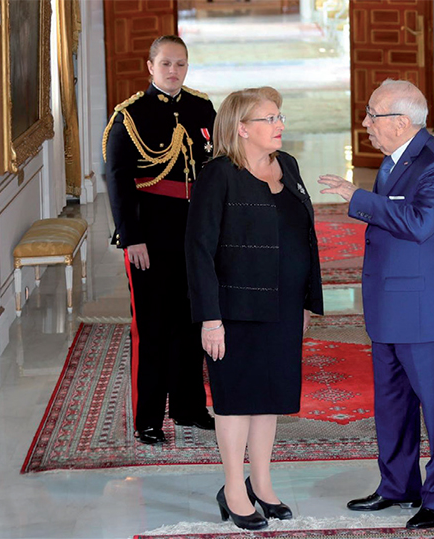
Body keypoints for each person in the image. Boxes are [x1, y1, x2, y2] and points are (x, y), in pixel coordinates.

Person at [318, 80, 434, 530]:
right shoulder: (394, 159)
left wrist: (357, 197)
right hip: (390, 307)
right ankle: (398, 485)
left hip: (427, 311)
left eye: (373, 114)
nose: (365, 122)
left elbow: (420, 223)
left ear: (401, 122)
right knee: (392, 405)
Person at [185, 86, 324, 531]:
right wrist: (210, 319)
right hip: (235, 310)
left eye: (279, 116)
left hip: (284, 305)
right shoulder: (218, 175)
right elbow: (199, 250)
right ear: (242, 128)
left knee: (269, 397)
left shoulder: (289, 165)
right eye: (270, 118)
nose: (280, 124)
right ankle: (233, 490)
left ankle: (261, 483)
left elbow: (304, 236)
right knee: (236, 400)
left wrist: (307, 300)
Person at [103, 35, 216, 445]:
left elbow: (214, 169)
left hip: (194, 234)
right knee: (152, 328)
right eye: (166, 63)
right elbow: (118, 182)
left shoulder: (202, 108)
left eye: (180, 63)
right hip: (149, 237)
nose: (173, 71)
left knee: (191, 322)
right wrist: (131, 237)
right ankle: (148, 419)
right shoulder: (130, 116)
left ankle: (189, 407)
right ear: (150, 66)